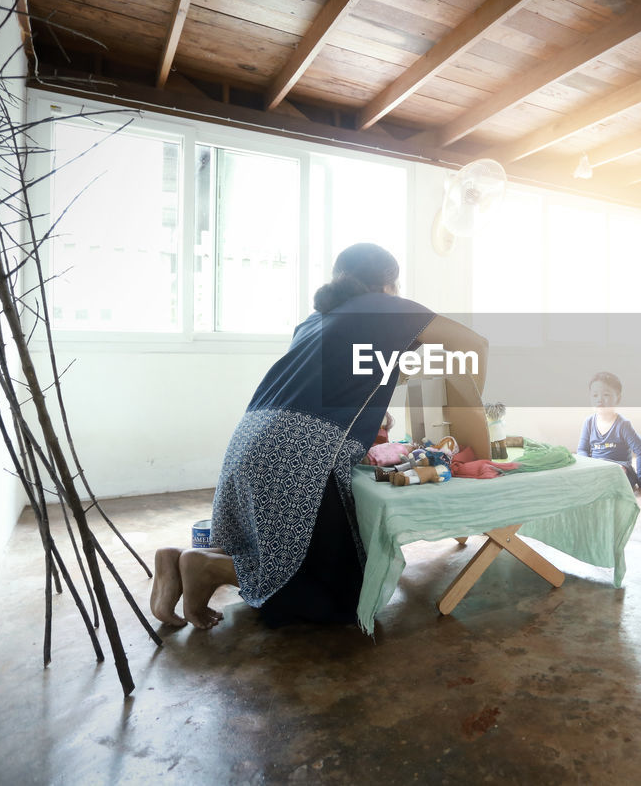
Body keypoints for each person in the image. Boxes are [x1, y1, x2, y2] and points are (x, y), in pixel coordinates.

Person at [150, 243, 488, 630]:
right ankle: (209, 567)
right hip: (302, 448)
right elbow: (476, 345)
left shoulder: (316, 320)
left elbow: (370, 372)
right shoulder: (385, 306)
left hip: (253, 435)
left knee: (268, 542)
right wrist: (468, 411)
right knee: (335, 594)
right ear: (388, 283)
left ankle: (177, 557)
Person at [577, 371, 641, 490]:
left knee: (616, 470)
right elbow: (582, 449)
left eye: (606, 395)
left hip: (619, 468)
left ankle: (601, 485)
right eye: (595, 395)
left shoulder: (623, 425)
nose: (599, 399)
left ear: (618, 398)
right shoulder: (588, 422)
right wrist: (587, 465)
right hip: (596, 466)